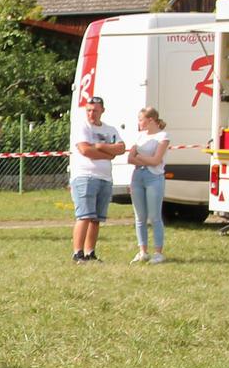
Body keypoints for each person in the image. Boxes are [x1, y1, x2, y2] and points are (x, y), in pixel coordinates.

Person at [70, 95, 126, 263]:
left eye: (95, 110)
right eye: (88, 110)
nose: (91, 114)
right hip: (86, 176)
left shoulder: (111, 130)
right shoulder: (83, 127)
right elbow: (85, 150)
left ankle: (90, 252)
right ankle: (78, 253)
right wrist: (109, 153)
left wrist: (101, 146)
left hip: (105, 178)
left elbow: (121, 148)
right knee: (84, 216)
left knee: (96, 219)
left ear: (102, 110)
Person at [126, 106, 169, 264]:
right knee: (139, 216)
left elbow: (157, 160)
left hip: (154, 177)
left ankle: (158, 252)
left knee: (154, 216)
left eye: (141, 119)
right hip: (138, 176)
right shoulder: (139, 136)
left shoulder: (163, 136)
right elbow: (130, 158)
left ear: (150, 120)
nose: (139, 123)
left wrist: (140, 157)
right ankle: (142, 250)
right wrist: (144, 159)